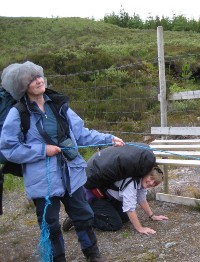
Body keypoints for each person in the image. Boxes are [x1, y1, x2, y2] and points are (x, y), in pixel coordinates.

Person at [0, 61, 124, 262]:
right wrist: (42, 150)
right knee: (50, 224)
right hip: (43, 180)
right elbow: (9, 148)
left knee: (83, 216)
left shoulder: (58, 105)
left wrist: (108, 139)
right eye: (31, 79)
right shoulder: (18, 113)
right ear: (22, 86)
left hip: (71, 174)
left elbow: (81, 134)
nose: (38, 80)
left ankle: (93, 255)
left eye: (39, 76)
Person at [62, 145, 168, 235]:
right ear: (146, 173)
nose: (151, 183)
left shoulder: (140, 181)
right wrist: (140, 228)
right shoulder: (132, 183)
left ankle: (91, 212)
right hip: (97, 196)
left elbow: (142, 198)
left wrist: (152, 216)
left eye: (154, 183)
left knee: (125, 218)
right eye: (151, 178)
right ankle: (80, 217)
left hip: (108, 197)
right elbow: (129, 208)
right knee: (114, 224)